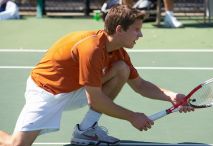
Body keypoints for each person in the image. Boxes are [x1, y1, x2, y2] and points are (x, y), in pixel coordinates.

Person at [0, 4, 193, 146]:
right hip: (47, 91)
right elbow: (96, 101)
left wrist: (172, 96)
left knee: (121, 69)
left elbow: (140, 86)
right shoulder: (90, 48)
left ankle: (85, 131)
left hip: (75, 88)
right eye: (136, 30)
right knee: (16, 145)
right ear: (119, 30)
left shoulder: (119, 52)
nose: (140, 35)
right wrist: (132, 116)